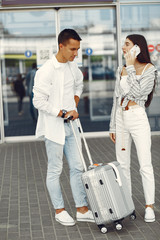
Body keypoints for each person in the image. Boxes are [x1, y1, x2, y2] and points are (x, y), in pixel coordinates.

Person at [33, 29, 94, 226]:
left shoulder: (72, 66)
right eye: (72, 49)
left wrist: (74, 107)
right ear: (61, 46)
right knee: (55, 170)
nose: (76, 53)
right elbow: (38, 101)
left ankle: (82, 209)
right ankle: (60, 210)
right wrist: (61, 112)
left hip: (72, 126)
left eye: (77, 49)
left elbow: (79, 86)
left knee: (77, 167)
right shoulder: (46, 71)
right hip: (53, 128)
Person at [109, 34, 157, 223]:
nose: (123, 48)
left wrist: (130, 67)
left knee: (145, 164)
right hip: (121, 117)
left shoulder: (149, 69)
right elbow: (116, 98)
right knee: (122, 165)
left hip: (137, 118)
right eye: (123, 44)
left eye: (127, 45)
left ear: (137, 48)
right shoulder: (120, 69)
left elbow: (138, 93)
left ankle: (149, 206)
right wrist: (112, 125)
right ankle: (127, 205)